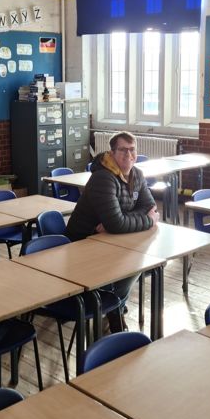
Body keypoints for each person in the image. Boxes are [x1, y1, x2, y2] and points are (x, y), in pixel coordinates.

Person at [65, 131, 160, 332]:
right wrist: (142, 221)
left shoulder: (137, 174)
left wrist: (122, 220)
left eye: (132, 149)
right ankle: (115, 310)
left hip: (112, 239)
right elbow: (118, 223)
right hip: (83, 243)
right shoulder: (103, 178)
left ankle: (114, 308)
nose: (129, 155)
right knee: (129, 266)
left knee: (137, 264)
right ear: (112, 153)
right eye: (123, 150)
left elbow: (149, 207)